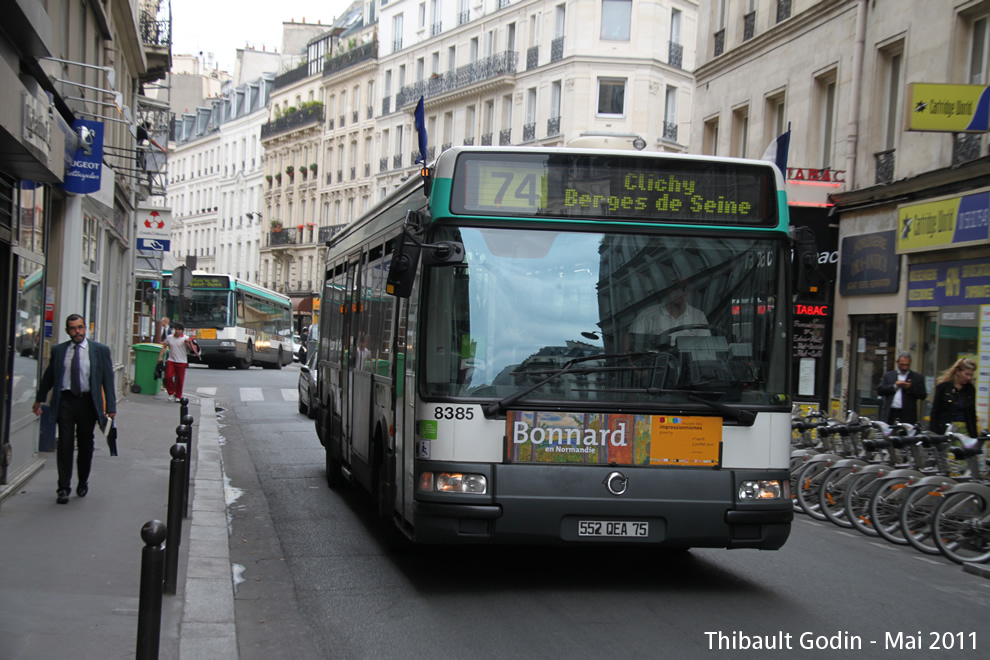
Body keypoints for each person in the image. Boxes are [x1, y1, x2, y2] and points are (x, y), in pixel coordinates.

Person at [32, 314, 117, 504]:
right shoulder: (59, 350)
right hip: (66, 401)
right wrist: (38, 399)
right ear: (67, 331)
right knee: (65, 444)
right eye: (73, 328)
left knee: (86, 445)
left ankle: (83, 481)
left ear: (85, 328)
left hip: (87, 403)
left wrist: (110, 407)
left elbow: (108, 381)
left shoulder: (99, 350)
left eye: (80, 327)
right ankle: (63, 487)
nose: (77, 332)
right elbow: (49, 378)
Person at [628, 278, 711, 347]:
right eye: (674, 288)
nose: (678, 293)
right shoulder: (648, 314)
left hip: (688, 364)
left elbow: (705, 344)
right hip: (657, 364)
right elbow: (632, 341)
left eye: (682, 288)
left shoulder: (698, 315)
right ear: (668, 291)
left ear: (688, 293)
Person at [929, 358, 977, 437]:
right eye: (967, 374)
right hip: (946, 429)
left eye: (971, 375)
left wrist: (975, 438)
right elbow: (935, 413)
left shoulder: (970, 389)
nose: (969, 378)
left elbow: (972, 414)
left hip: (965, 431)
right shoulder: (943, 387)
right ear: (958, 371)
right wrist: (933, 435)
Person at [877, 351, 927, 425]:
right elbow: (880, 390)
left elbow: (923, 395)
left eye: (907, 365)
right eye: (902, 365)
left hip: (907, 415)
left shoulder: (917, 377)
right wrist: (895, 386)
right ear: (897, 362)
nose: (905, 367)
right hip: (891, 413)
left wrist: (910, 388)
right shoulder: (889, 375)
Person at [158, 322, 200, 403]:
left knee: (180, 380)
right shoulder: (170, 337)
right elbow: (164, 346)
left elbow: (192, 349)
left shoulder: (186, 338)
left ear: (182, 331)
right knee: (168, 377)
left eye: (179, 330)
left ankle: (178, 395)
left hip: (181, 361)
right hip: (171, 360)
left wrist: (188, 344)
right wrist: (160, 357)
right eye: (176, 329)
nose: (177, 331)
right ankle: (171, 393)